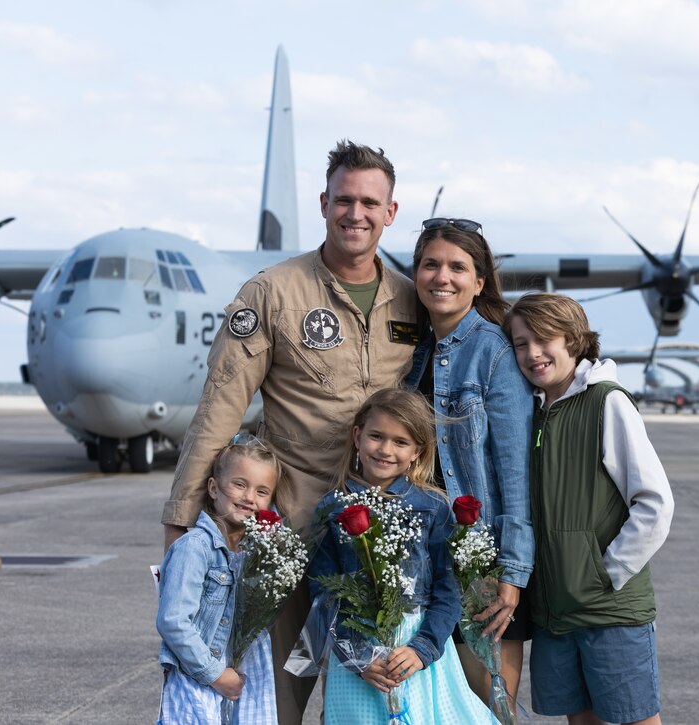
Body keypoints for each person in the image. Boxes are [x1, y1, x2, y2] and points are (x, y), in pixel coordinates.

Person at [161, 140, 419, 721]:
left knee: (377, 699)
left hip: (383, 539)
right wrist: (182, 522)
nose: (356, 213)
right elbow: (220, 407)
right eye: (344, 200)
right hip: (289, 531)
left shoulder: (412, 299)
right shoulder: (271, 293)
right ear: (324, 203)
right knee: (278, 696)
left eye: (370, 203)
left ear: (391, 212)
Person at [504, 293, 674, 725]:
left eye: (544, 339)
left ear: (574, 340)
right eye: (520, 344)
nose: (532, 353)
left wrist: (607, 573)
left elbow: (654, 503)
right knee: (580, 720)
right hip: (555, 610)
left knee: (637, 719)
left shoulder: (606, 401)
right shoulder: (534, 411)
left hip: (607, 608)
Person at [403, 217, 534, 704]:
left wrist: (512, 573)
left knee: (488, 707)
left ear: (479, 282)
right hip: (424, 557)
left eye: (458, 267)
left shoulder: (493, 352)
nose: (443, 277)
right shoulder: (416, 354)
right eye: (431, 265)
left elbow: (515, 472)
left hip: (484, 563)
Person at [308, 388, 492, 724]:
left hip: (417, 651)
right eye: (376, 436)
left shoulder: (433, 507)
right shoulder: (333, 509)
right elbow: (324, 596)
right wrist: (358, 659)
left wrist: (423, 649)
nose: (385, 449)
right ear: (357, 436)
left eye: (400, 442)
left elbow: (448, 589)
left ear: (417, 452)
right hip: (360, 659)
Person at [157, 438, 283, 724]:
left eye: (262, 491)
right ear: (213, 488)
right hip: (197, 678)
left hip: (247, 675)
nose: (250, 496)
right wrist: (214, 673)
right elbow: (173, 621)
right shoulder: (195, 548)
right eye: (240, 484)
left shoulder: (259, 553)